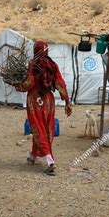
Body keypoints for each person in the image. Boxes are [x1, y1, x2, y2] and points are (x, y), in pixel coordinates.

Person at [15, 41, 72, 175]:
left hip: (35, 100)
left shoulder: (34, 65)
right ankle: (33, 155)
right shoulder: (52, 65)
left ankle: (49, 160)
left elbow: (29, 83)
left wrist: (17, 85)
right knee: (46, 128)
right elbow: (60, 83)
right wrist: (67, 101)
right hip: (48, 101)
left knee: (37, 128)